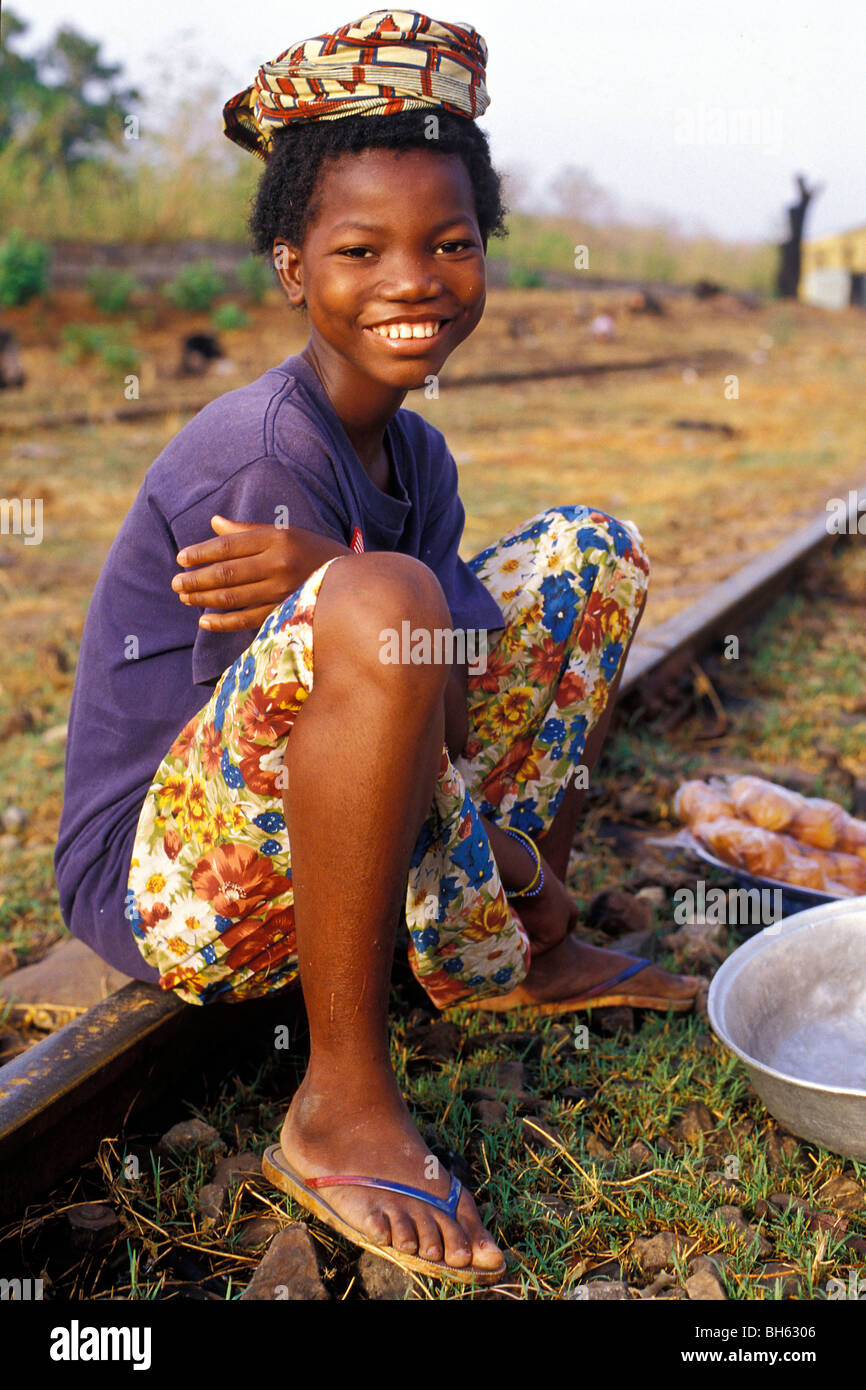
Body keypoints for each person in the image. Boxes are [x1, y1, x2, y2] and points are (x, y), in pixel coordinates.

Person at [55, 10, 698, 1285]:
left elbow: (444, 712)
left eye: (447, 243)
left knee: (590, 547)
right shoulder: (259, 458)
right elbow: (287, 769)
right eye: (362, 248)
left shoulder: (415, 451)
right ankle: (339, 1098)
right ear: (293, 267)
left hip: (341, 810)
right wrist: (503, 850)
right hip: (175, 882)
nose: (413, 277)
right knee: (384, 595)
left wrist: (367, 599)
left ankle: (506, 959)